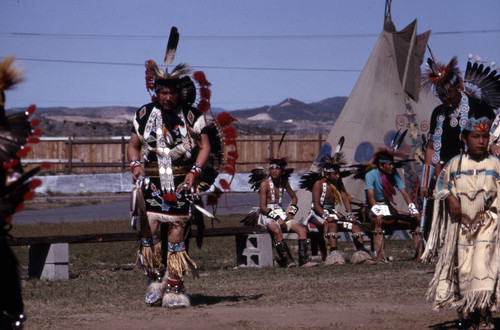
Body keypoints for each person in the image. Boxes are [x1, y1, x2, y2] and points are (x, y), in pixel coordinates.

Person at [127, 27, 236, 308]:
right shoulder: (144, 114)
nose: (166, 97)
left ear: (178, 92)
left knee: (176, 230)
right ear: (156, 92)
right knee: (148, 230)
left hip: (181, 183)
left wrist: (193, 173)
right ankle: (155, 279)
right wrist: (135, 165)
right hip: (151, 182)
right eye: (161, 92)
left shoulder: (191, 116)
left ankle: (175, 288)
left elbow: (205, 146)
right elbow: (132, 145)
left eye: (170, 92)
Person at [422, 112, 499, 329]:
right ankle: (470, 315)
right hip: (462, 227)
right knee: (464, 270)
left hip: (488, 225)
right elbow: (441, 188)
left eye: (485, 137)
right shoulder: (455, 165)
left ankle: (484, 315)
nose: (481, 141)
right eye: (476, 136)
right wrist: (451, 197)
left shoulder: (495, 164)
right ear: (464, 139)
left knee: (483, 268)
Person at [420, 56, 496, 202]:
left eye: (450, 94)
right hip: (444, 178)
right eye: (442, 96)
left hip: (474, 176)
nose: (446, 99)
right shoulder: (438, 113)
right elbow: (431, 148)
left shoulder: (478, 107)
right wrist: (424, 183)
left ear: (458, 87)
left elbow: (490, 137)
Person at [301, 156, 374, 265]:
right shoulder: (318, 184)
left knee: (354, 224)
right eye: (335, 174)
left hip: (332, 213)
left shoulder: (338, 183)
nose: (338, 176)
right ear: (326, 174)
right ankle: (334, 256)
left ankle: (361, 254)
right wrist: (326, 217)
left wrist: (350, 214)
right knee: (332, 223)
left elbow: (345, 197)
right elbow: (316, 205)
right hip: (317, 214)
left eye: (338, 173)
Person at [245, 158, 317, 267]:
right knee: (277, 230)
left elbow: (294, 198)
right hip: (267, 215)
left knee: (302, 230)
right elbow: (263, 207)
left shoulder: (284, 182)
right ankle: (288, 260)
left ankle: (303, 260)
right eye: (272, 168)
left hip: (281, 213)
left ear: (282, 171)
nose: (274, 171)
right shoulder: (264, 184)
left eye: (277, 168)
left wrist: (291, 213)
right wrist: (278, 218)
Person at [365, 151, 420, 263]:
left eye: (392, 164)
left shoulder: (394, 174)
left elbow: (404, 193)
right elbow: (371, 197)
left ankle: (420, 255)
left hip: (388, 207)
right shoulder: (370, 175)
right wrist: (378, 212)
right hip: (373, 207)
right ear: (381, 165)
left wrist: (414, 211)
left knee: (414, 220)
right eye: (389, 164)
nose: (392, 166)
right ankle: (380, 257)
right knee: (378, 222)